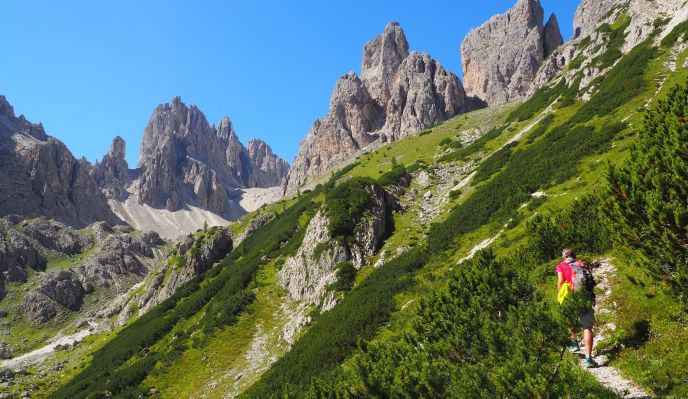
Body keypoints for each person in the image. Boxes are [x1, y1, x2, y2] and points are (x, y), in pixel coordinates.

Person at [557, 248, 597, 368]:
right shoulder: (581, 263)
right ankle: (589, 358)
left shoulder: (561, 265)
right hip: (584, 296)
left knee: (570, 319)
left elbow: (560, 281)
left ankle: (574, 343)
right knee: (587, 327)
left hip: (570, 295)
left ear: (564, 257)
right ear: (574, 255)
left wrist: (560, 296)